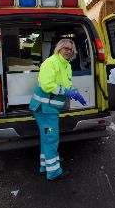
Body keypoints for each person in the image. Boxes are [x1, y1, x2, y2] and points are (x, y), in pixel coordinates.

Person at [29, 38, 87, 181]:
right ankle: (54, 172)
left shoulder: (66, 65)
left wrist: (73, 91)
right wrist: (67, 92)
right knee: (51, 138)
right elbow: (46, 85)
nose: (69, 51)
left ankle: (46, 166)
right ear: (59, 48)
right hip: (45, 108)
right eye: (66, 48)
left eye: (71, 50)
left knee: (47, 137)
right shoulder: (51, 62)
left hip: (50, 108)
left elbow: (64, 83)